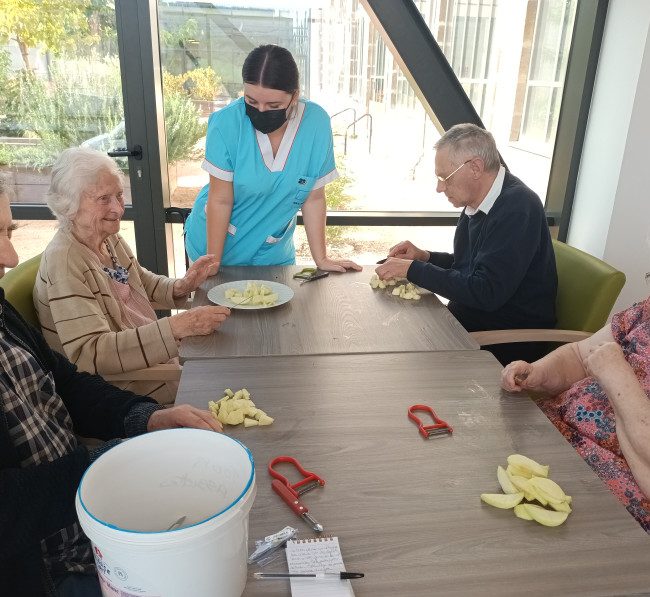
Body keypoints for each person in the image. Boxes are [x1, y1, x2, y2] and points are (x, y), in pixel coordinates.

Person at [0, 145, 223, 597]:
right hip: (50, 564)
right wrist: (104, 465)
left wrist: (145, 418)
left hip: (89, 513)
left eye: (8, 231)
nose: (10, 256)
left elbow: (65, 381)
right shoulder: (58, 264)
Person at [500, 201, 650, 593]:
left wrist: (619, 380)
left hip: (626, 526)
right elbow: (581, 354)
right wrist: (539, 372)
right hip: (550, 457)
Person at [35, 148, 230, 405]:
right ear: (66, 204)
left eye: (119, 195)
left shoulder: (107, 238)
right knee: (230, 383)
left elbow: (140, 283)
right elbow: (90, 353)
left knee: (234, 367)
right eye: (103, 199)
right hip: (125, 390)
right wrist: (176, 328)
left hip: (151, 361)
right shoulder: (65, 261)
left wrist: (181, 287)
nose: (118, 208)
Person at [375, 123, 557, 365]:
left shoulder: (518, 207)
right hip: (471, 323)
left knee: (398, 356)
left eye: (444, 178)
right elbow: (469, 265)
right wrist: (424, 257)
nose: (439, 188)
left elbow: (487, 292)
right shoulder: (477, 201)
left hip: (506, 342)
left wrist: (413, 270)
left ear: (475, 167)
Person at [184, 44, 361, 273]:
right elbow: (220, 199)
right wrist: (213, 263)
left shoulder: (316, 124)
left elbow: (314, 197)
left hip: (273, 251)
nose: (261, 111)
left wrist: (322, 259)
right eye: (251, 102)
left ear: (295, 96)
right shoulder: (226, 123)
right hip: (215, 244)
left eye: (274, 105)